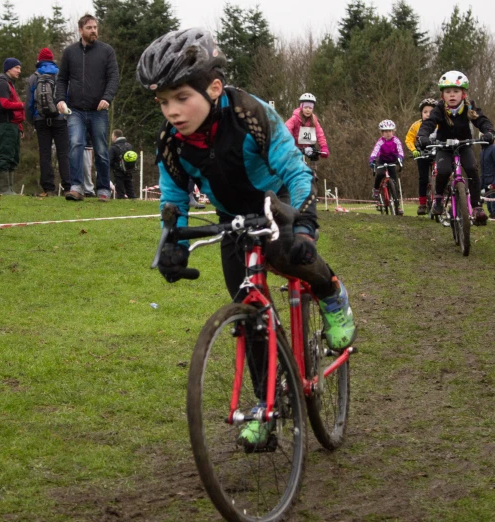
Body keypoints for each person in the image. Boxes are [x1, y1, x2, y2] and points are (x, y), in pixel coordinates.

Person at [137, 28, 357, 446]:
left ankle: (331, 292)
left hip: (280, 201)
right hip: (232, 216)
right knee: (248, 310)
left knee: (288, 252)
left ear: (214, 87)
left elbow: (296, 169)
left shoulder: (248, 112)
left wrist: (305, 227)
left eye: (182, 98)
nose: (172, 111)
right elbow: (173, 198)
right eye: (164, 102)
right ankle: (267, 403)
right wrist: (173, 245)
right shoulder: (171, 142)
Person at [417, 71, 495, 225]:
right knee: (444, 170)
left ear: (463, 94)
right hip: (444, 146)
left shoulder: (469, 107)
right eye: (448, 92)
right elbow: (429, 123)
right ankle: (438, 199)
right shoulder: (439, 109)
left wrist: (489, 132)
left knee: (472, 168)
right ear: (442, 96)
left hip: (464, 145)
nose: (452, 95)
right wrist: (422, 137)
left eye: (456, 91)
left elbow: (482, 121)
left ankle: (477, 206)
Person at [55, 14, 119, 202]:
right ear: (80, 30)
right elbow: (61, 79)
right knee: (75, 145)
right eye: (89, 28)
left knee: (100, 149)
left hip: (99, 111)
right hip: (75, 110)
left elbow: (114, 78)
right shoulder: (69, 53)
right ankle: (76, 187)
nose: (94, 31)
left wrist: (107, 98)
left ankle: (104, 189)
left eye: (95, 27)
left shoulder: (107, 51)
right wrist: (59, 99)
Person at [27, 47, 70, 197]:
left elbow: (30, 103)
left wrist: (32, 119)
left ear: (39, 60)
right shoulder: (60, 75)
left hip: (41, 119)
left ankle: (48, 188)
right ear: (52, 59)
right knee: (63, 153)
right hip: (59, 119)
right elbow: (67, 95)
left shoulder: (34, 77)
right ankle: (67, 187)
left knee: (44, 153)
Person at [0, 57, 24, 195]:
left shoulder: (10, 84)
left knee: (13, 157)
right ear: (8, 69)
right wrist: (23, 105)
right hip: (4, 125)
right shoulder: (2, 84)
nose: (19, 71)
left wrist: (20, 127)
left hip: (13, 125)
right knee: (4, 156)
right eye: (17, 68)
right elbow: (4, 104)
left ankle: (10, 189)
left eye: (20, 68)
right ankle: (4, 189)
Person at [406, 98, 438, 215]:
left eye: (431, 112)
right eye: (425, 112)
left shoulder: (440, 124)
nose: (428, 114)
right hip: (421, 153)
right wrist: (414, 150)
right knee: (423, 178)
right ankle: (422, 203)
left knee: (441, 174)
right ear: (421, 113)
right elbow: (408, 139)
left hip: (437, 152)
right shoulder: (416, 125)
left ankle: (440, 199)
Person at [369, 119, 405, 215]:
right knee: (379, 174)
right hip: (382, 161)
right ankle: (376, 190)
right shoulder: (380, 141)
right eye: (385, 131)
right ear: (382, 133)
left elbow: (400, 151)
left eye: (390, 131)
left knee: (394, 182)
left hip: (392, 161)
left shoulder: (396, 141)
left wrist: (400, 158)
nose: (388, 133)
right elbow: (375, 151)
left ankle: (397, 206)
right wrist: (372, 160)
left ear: (393, 131)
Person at [285, 93, 330, 162]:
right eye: (306, 107)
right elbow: (287, 128)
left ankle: (313, 171)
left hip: (308, 148)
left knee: (314, 160)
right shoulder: (295, 118)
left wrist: (324, 147)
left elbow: (320, 134)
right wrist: (288, 143)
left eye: (310, 108)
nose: (308, 110)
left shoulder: (314, 120)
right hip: (294, 147)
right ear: (301, 107)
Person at [479, 137, 495, 218]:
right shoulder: (483, 151)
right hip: (486, 182)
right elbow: (483, 169)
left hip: (493, 182)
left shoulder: (494, 149)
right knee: (489, 206)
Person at [109, 129, 136, 199]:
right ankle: (134, 202)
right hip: (129, 171)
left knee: (120, 193)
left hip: (118, 173)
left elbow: (109, 161)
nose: (112, 138)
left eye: (112, 136)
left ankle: (122, 201)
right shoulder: (129, 146)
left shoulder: (113, 148)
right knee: (130, 191)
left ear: (115, 136)